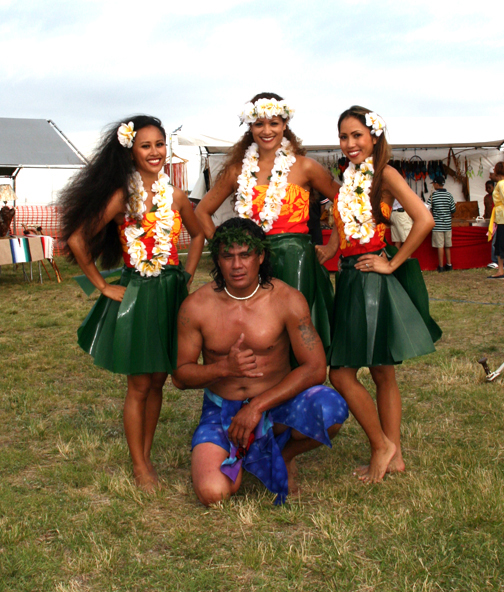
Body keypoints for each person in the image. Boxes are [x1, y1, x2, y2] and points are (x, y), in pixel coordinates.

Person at [59, 115, 205, 490]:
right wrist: (101, 286)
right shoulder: (124, 195)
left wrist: (186, 272)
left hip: (171, 292)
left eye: (159, 144)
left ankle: (147, 452)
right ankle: (140, 465)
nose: (155, 152)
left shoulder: (174, 194)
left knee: (158, 379)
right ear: (131, 151)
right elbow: (77, 238)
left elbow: (199, 232)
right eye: (146, 146)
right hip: (139, 293)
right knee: (140, 383)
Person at [172, 218, 349, 506]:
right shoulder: (196, 306)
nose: (236, 265)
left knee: (331, 409)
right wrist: (223, 368)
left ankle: (284, 454)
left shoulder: (287, 299)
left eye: (245, 255)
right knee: (213, 495)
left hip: (276, 407)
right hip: (221, 412)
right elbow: (179, 376)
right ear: (217, 259)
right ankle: (242, 452)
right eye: (227, 256)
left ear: (261, 256)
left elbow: (315, 368)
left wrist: (256, 406)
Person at [325, 106, 441, 484]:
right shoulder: (349, 177)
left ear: (374, 137)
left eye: (357, 135)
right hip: (349, 277)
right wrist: (322, 251)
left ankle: (385, 447)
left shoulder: (385, 173)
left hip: (371, 279)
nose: (350, 143)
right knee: (380, 371)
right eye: (344, 136)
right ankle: (396, 455)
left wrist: (391, 263)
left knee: (348, 372)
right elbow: (344, 233)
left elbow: (424, 220)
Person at [195, 92, 341, 355]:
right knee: (259, 332)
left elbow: (345, 202)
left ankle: (300, 390)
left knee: (297, 333)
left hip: (297, 259)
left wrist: (331, 247)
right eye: (259, 124)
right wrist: (225, 250)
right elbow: (202, 212)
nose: (267, 130)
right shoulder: (236, 171)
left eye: (274, 123)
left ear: (285, 125)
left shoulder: (306, 167)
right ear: (250, 127)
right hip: (253, 261)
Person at [427, 175, 456, 272]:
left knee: (440, 246)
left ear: (436, 184)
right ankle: (449, 264)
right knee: (447, 245)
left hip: (437, 225)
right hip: (447, 225)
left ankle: (441, 266)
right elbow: (453, 210)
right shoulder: (449, 195)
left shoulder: (433, 196)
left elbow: (427, 209)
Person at [488, 162, 504, 279]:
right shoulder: (500, 183)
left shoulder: (501, 184)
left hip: (502, 217)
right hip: (500, 217)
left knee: (500, 244)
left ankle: (501, 270)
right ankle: (500, 269)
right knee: (499, 243)